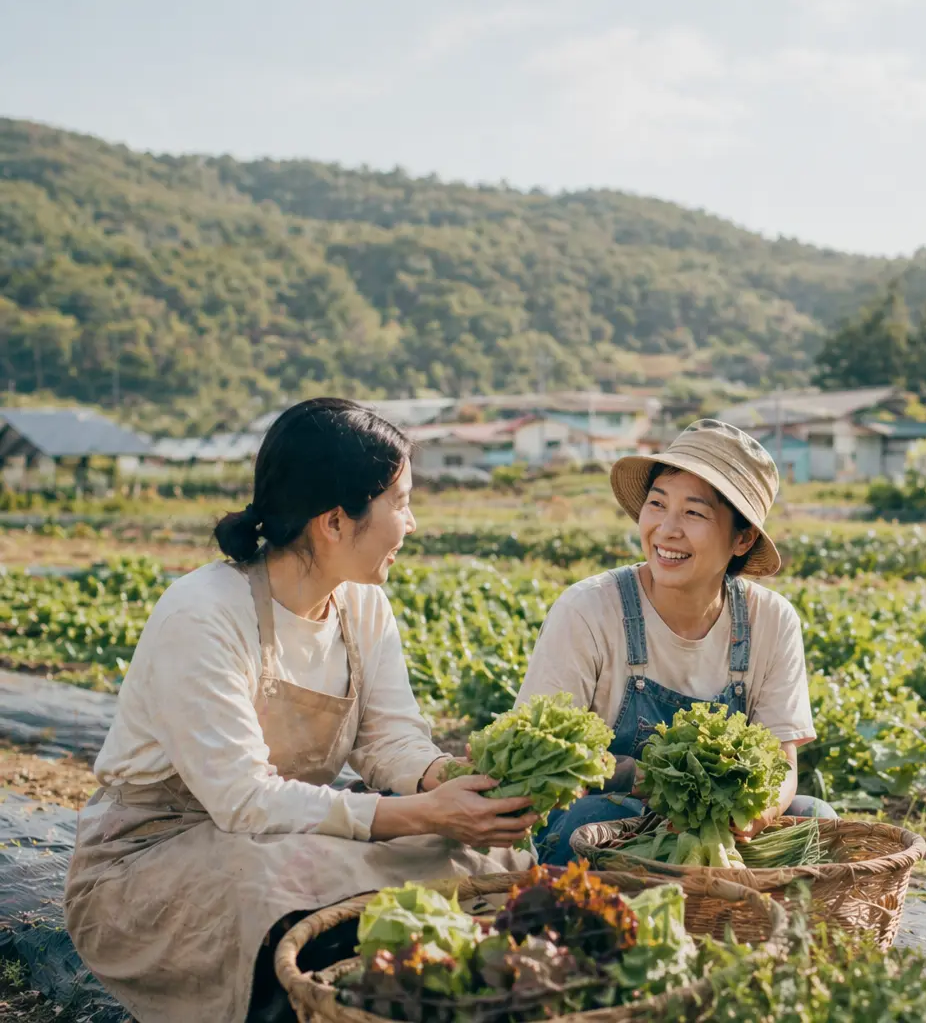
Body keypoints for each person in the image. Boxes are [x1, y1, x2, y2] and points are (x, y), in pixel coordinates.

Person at [65, 398, 537, 1023]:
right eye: (400, 502)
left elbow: (389, 739)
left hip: (289, 833)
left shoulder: (361, 605)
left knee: (480, 861)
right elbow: (243, 800)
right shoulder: (204, 612)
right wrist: (415, 812)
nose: (412, 522)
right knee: (298, 884)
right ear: (336, 521)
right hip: (155, 852)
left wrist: (443, 782)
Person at [516, 419, 836, 865]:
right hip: (605, 822)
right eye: (657, 504)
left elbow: (781, 766)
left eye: (694, 513)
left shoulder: (771, 620)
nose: (666, 529)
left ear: (742, 538)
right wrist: (661, 785)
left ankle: (748, 921)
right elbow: (544, 754)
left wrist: (747, 816)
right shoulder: (588, 609)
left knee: (815, 818)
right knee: (588, 817)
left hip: (723, 828)